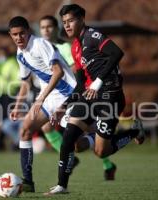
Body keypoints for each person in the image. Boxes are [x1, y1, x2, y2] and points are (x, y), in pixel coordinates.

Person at [45, 4, 144, 195]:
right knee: (69, 140)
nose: (67, 25)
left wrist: (98, 82)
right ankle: (62, 186)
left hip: (110, 96)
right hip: (89, 97)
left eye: (71, 20)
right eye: (64, 22)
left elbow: (117, 53)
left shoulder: (92, 36)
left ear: (82, 19)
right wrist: (64, 106)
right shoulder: (75, 47)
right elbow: (81, 85)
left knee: (102, 152)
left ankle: (133, 132)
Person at [39, 15, 117, 181]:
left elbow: (76, 71)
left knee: (82, 133)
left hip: (70, 94)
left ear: (55, 29)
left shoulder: (65, 48)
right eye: (42, 27)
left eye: (49, 27)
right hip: (54, 97)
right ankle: (73, 159)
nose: (45, 30)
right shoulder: (40, 49)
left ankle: (107, 163)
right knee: (47, 127)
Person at [8, 16, 77, 192]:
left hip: (68, 94)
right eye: (14, 35)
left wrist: (40, 99)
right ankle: (28, 182)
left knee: (84, 144)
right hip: (50, 97)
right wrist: (17, 106)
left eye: (21, 33)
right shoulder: (20, 53)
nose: (18, 38)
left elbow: (58, 72)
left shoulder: (40, 45)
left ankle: (129, 133)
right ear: (10, 35)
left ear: (28, 31)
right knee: (25, 129)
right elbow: (25, 83)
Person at [0, 47, 20, 151]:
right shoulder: (0, 63)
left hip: (8, 94)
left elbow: (17, 79)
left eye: (2, 54)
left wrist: (12, 86)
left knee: (6, 119)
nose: (0, 56)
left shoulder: (11, 63)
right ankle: (2, 143)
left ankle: (4, 143)